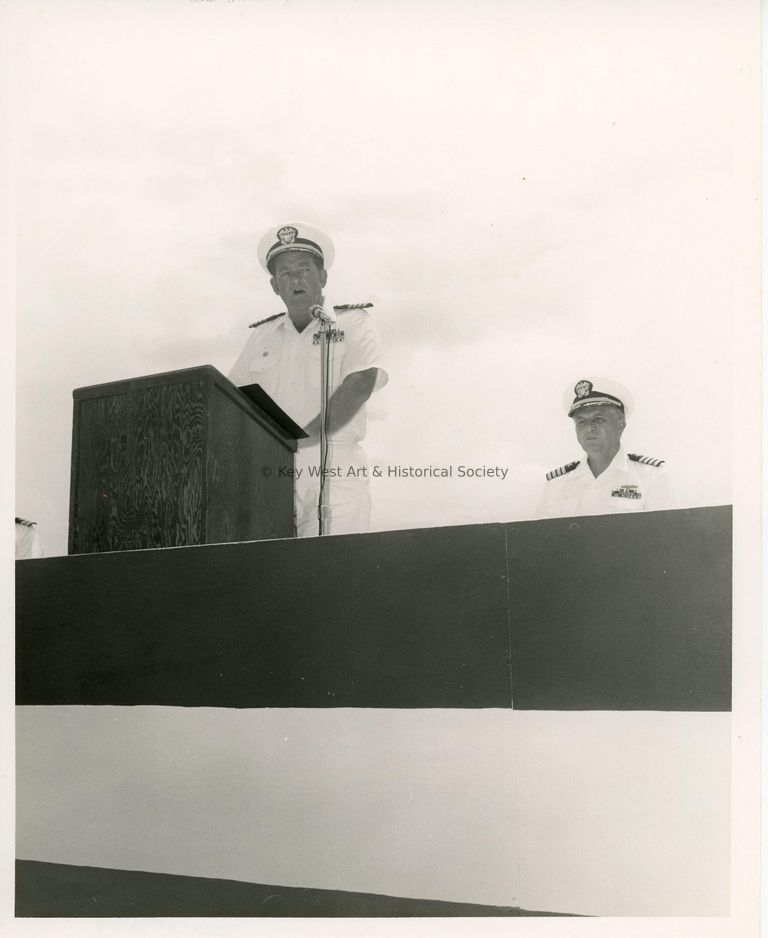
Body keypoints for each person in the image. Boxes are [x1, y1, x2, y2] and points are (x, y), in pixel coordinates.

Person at [228, 221, 388, 537]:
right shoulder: (261, 337)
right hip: (271, 471)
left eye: (304, 270)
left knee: (332, 569)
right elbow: (233, 400)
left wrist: (301, 438)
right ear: (275, 286)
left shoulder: (352, 322)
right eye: (286, 273)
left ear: (323, 277)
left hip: (334, 467)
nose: (296, 279)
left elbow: (360, 382)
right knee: (278, 572)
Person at [537, 378, 674, 519]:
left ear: (620, 423)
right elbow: (541, 539)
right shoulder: (556, 485)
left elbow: (666, 537)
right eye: (582, 421)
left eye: (598, 419)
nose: (589, 428)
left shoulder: (651, 477)